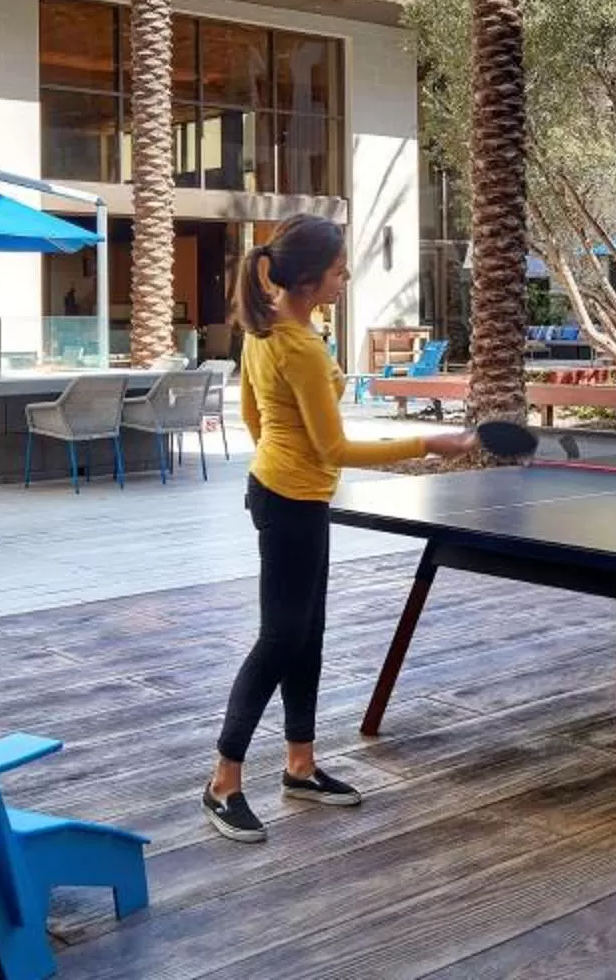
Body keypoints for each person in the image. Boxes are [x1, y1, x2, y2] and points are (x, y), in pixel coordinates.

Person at [208, 214, 472, 843]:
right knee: (280, 638)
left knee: (308, 633)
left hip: (284, 492)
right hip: (290, 500)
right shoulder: (296, 344)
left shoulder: (265, 327)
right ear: (306, 279)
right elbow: (332, 447)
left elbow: (252, 413)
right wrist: (428, 442)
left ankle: (300, 765)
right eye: (337, 269)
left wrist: (278, 462)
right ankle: (223, 782)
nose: (344, 277)